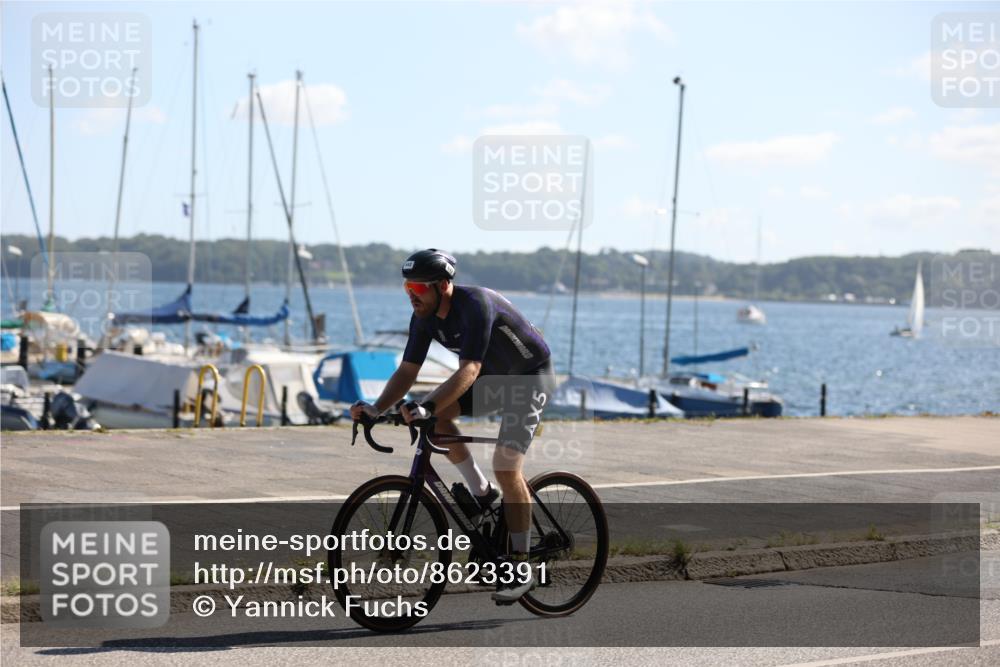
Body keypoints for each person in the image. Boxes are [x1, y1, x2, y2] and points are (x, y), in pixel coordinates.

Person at [350, 248, 555, 603]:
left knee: (506, 468)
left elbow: (469, 370)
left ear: (442, 285)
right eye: (406, 288)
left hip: (528, 378)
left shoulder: (475, 305)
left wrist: (426, 406)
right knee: (442, 417)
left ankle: (522, 566)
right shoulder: (424, 316)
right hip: (493, 380)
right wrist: (375, 408)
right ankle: (482, 494)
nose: (411, 295)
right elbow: (407, 372)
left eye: (417, 286)